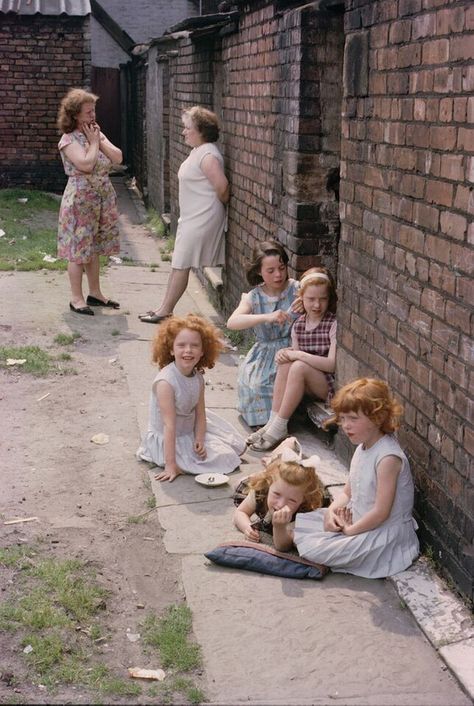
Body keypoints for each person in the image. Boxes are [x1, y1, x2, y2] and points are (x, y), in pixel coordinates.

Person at [291, 378, 420, 577]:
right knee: (308, 523)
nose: (346, 426)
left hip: (384, 532)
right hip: (358, 517)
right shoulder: (362, 447)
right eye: (342, 419)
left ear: (377, 418)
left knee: (316, 549)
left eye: (353, 418)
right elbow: (347, 493)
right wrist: (332, 512)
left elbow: (381, 512)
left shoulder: (388, 458)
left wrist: (350, 532)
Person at [139, 106, 229, 324]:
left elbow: (223, 188)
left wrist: (211, 209)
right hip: (191, 217)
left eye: (187, 128)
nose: (183, 132)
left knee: (181, 264)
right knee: (179, 262)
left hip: (202, 217)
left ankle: (164, 311)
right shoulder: (198, 151)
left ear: (201, 130)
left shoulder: (208, 155)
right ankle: (163, 308)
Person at [137, 314, 246, 482]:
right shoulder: (165, 382)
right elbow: (168, 425)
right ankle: (178, 463)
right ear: (171, 349)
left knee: (233, 448)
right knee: (221, 459)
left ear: (203, 351)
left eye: (194, 345)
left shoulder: (198, 378)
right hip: (170, 438)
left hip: (189, 428)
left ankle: (196, 449)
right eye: (181, 345)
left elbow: (200, 413)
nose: (188, 350)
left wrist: (199, 439)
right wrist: (170, 464)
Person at [248, 266, 337, 451]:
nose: (317, 305)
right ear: (300, 299)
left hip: (325, 385)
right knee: (288, 362)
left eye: (323, 299)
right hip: (305, 383)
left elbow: (331, 364)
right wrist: (287, 353)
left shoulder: (332, 323)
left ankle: (279, 426)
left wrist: (298, 355)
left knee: (297, 365)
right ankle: (272, 423)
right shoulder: (299, 325)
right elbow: (294, 360)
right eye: (311, 299)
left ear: (329, 299)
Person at [57, 88, 122, 316]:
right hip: (80, 201)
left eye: (93, 111)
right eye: (87, 113)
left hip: (101, 198)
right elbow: (85, 164)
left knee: (93, 247)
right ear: (75, 115)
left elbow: (118, 157)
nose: (92, 116)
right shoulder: (68, 140)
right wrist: (94, 143)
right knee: (78, 249)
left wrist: (98, 140)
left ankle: (95, 293)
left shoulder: (96, 133)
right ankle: (76, 298)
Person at [226, 240, 299, 431]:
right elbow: (232, 322)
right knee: (257, 384)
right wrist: (266, 317)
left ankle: (279, 422)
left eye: (281, 268)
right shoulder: (254, 297)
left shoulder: (297, 289)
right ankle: (264, 424)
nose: (278, 275)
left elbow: (319, 283)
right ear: (259, 271)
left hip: (293, 347)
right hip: (265, 351)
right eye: (271, 270)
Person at [233, 446, 327, 551]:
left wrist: (279, 528)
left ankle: (282, 451)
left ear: (303, 500)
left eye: (292, 500)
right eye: (276, 494)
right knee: (240, 484)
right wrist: (246, 527)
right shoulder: (261, 491)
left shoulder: (303, 513)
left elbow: (283, 546)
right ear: (269, 486)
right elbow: (240, 512)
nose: (281, 504)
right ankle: (274, 459)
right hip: (264, 481)